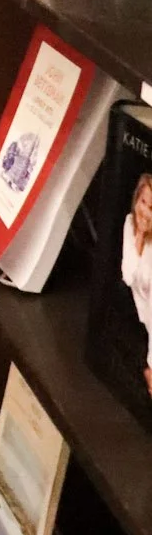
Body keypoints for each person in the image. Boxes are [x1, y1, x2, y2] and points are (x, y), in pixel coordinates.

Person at [121, 171, 152, 399]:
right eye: (143, 202)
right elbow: (129, 275)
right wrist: (140, 235)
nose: (146, 212)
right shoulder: (130, 223)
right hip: (141, 305)